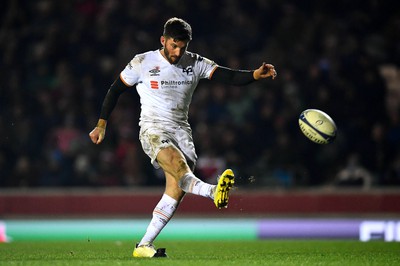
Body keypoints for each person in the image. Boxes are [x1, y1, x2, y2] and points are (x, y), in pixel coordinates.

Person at [89, 17, 277, 258]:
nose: (177, 52)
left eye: (182, 47)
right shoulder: (142, 62)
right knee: (180, 169)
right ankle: (212, 192)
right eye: (173, 46)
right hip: (153, 129)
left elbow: (228, 77)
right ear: (163, 40)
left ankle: (143, 245)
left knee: (177, 189)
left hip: (181, 131)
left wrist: (254, 74)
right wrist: (101, 124)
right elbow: (115, 90)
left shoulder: (195, 62)